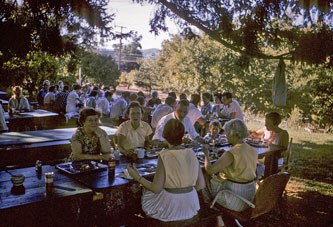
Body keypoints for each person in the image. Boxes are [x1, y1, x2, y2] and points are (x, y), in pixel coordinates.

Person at [127, 119, 205, 222]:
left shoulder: (164, 155)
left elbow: (156, 188)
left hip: (171, 207)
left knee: (143, 193)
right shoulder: (191, 153)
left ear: (165, 136)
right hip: (191, 204)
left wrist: (137, 176)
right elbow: (201, 185)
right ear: (182, 136)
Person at [203, 119, 257, 212]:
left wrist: (206, 154)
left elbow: (209, 170)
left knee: (205, 178)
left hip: (236, 199)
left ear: (233, 133)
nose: (225, 135)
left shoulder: (231, 153)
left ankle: (212, 211)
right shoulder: (251, 149)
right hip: (250, 196)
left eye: (227, 132)